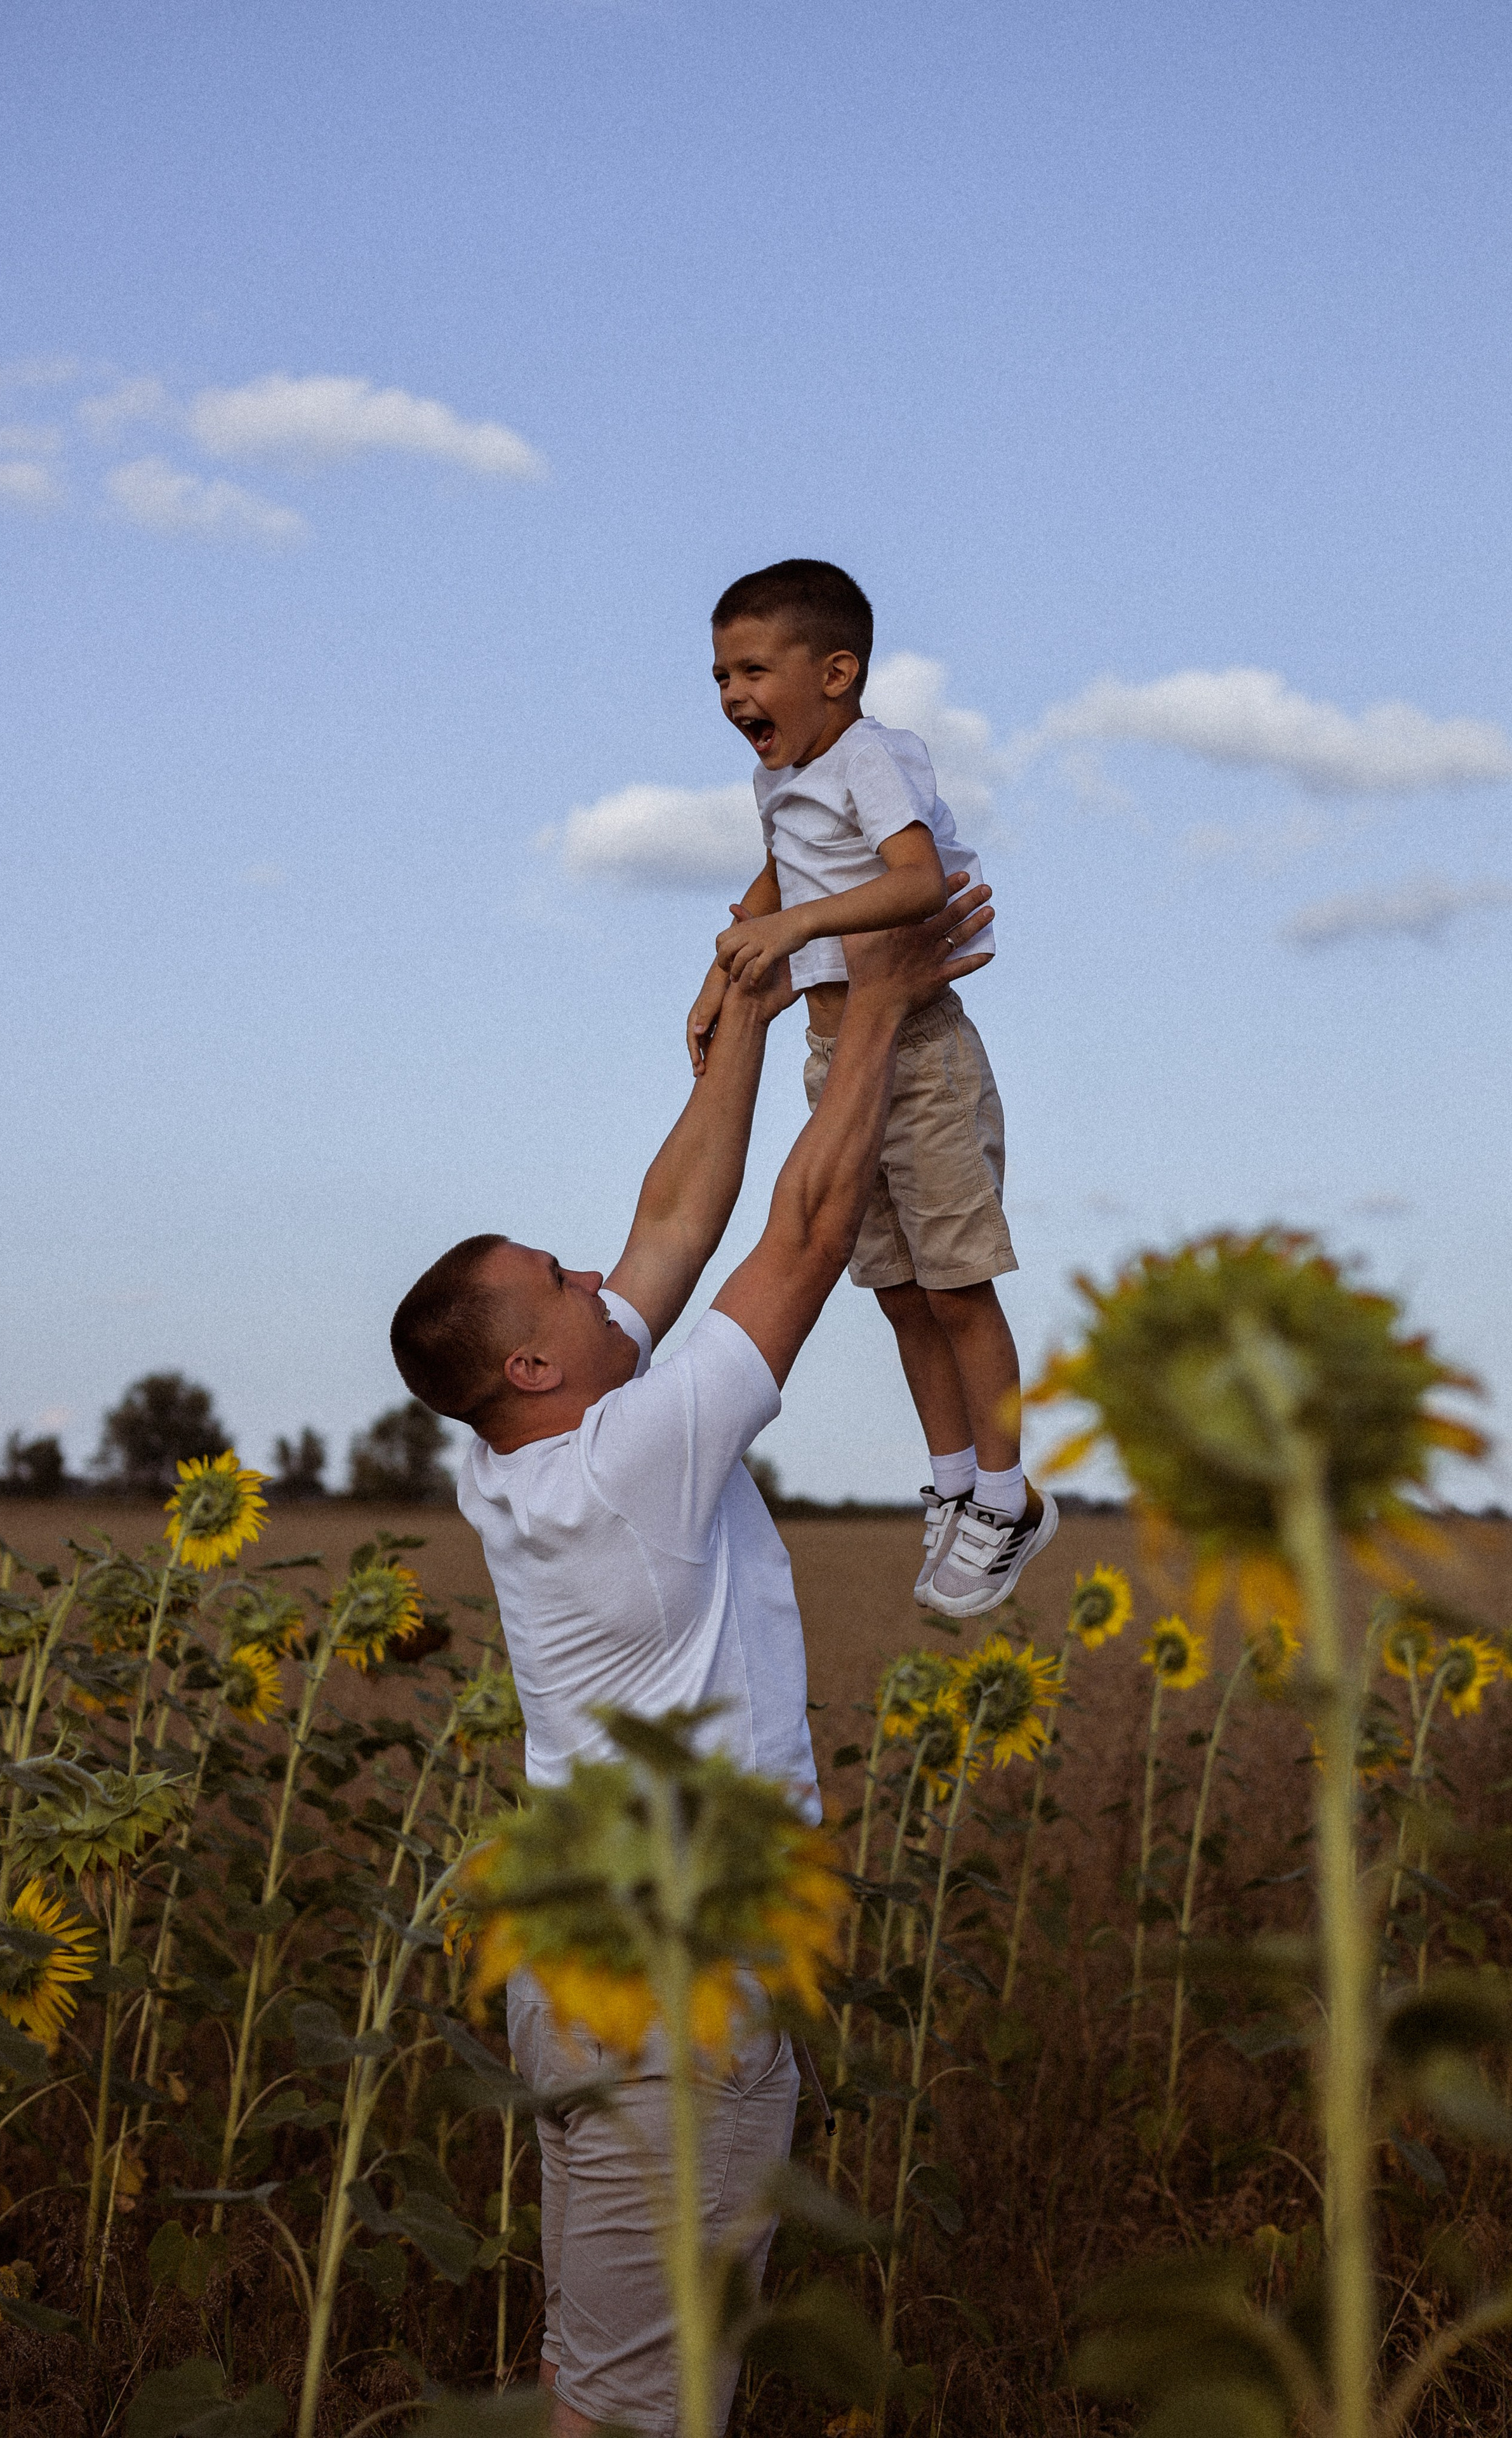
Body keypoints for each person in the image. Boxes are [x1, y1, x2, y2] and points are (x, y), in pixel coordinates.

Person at [389, 886, 991, 2437]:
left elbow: (675, 1220)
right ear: (531, 1361)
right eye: (564, 1283)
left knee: (600, 2357)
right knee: (643, 2403)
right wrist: (877, 1007)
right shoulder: (631, 1465)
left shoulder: (519, 1458)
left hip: (584, 1961)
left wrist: (758, 997)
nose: (603, 1274)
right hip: (674, 1980)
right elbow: (795, 1233)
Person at [685, 557, 1056, 1619]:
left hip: (924, 1056)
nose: (730, 694)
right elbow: (777, 876)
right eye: (718, 675)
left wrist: (794, 929)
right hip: (834, 1057)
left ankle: (1007, 1493)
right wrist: (723, 974)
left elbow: (916, 878)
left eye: (752, 668)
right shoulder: (779, 779)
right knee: (895, 1287)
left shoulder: (872, 758)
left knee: (955, 1283)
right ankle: (951, 1482)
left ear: (837, 672)